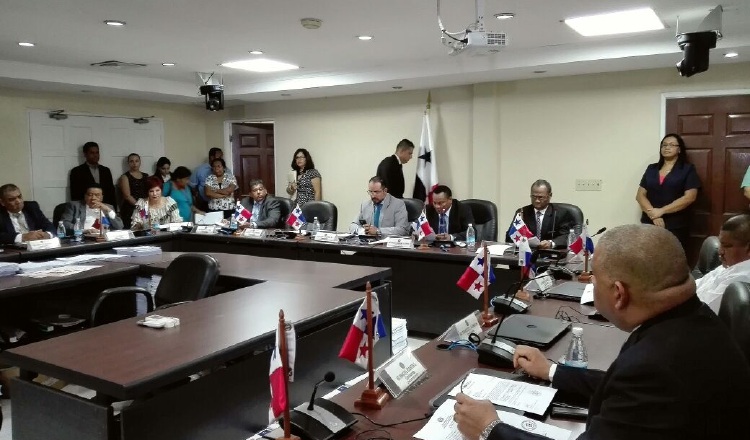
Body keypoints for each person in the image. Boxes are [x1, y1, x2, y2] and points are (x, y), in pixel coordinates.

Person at [454, 224, 750, 440]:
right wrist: (553, 372)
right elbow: (621, 387)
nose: (591, 285)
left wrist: (491, 429)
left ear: (619, 294)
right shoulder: (689, 319)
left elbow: (639, 382)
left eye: (594, 280)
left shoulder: (658, 365)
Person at [636, 133, 701, 249]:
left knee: (672, 260)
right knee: (648, 257)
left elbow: (690, 197)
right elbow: (640, 195)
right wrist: (654, 215)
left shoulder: (687, 169)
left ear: (679, 149)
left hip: (676, 225)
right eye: (664, 145)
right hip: (650, 222)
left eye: (671, 145)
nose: (667, 147)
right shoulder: (652, 168)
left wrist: (662, 211)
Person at [695, 214, 750, 304]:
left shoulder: (741, 279)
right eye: (720, 244)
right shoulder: (730, 265)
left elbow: (705, 308)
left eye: (727, 246)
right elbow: (696, 285)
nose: (720, 251)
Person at [505, 179, 575, 249]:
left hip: (550, 254)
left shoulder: (560, 213)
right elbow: (509, 237)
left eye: (540, 197)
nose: (537, 200)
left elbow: (566, 236)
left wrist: (551, 243)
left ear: (550, 195)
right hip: (528, 253)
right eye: (534, 197)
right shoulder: (523, 212)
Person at [69, 141, 117, 207]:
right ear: (85, 154)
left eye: (97, 152)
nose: (95, 155)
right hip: (86, 208)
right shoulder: (77, 171)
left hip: (105, 207)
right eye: (92, 153)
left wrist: (113, 210)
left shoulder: (106, 170)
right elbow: (75, 194)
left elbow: (111, 193)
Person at [118, 153, 150, 229]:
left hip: (145, 207)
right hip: (130, 208)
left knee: (146, 229)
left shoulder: (146, 176)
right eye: (131, 161)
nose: (134, 163)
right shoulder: (125, 177)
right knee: (133, 232)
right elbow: (127, 196)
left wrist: (145, 208)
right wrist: (140, 207)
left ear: (140, 162)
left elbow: (149, 192)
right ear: (128, 163)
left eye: (136, 161)